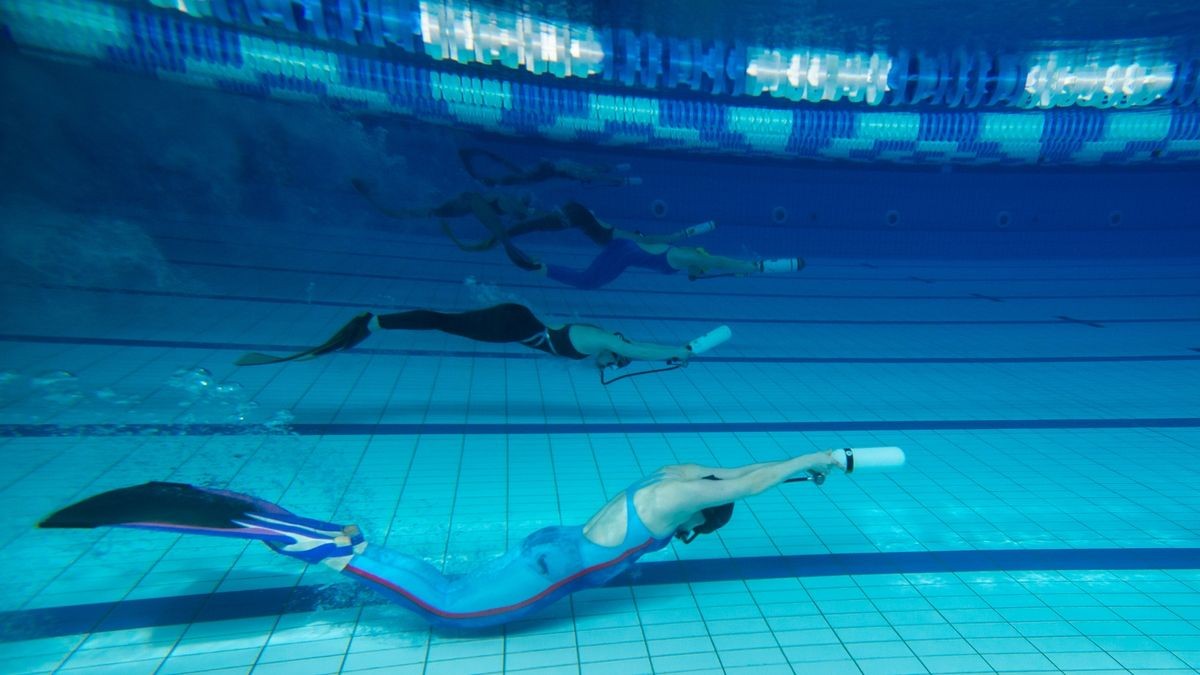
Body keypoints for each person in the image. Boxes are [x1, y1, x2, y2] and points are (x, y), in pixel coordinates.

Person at [38, 449, 850, 629]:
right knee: (458, 613)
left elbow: (732, 473)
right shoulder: (681, 502)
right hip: (554, 560)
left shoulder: (681, 474)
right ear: (700, 514)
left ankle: (350, 547)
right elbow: (746, 482)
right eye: (697, 530)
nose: (685, 536)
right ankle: (330, 544)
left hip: (554, 541)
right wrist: (825, 461)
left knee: (448, 584)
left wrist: (779, 474)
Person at [232, 303, 691, 369]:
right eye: (615, 358)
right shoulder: (598, 338)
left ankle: (374, 324)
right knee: (441, 321)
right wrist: (678, 352)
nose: (609, 363)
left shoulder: (596, 340)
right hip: (513, 325)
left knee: (444, 321)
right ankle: (373, 323)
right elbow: (639, 348)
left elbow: (630, 350)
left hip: (516, 324)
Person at [458, 147, 642, 187]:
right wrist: (491, 155)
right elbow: (505, 164)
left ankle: (622, 175)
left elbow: (506, 165)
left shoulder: (520, 176)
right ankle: (620, 170)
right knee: (591, 171)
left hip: (561, 168)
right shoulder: (520, 176)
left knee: (591, 173)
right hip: (561, 167)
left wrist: (490, 155)